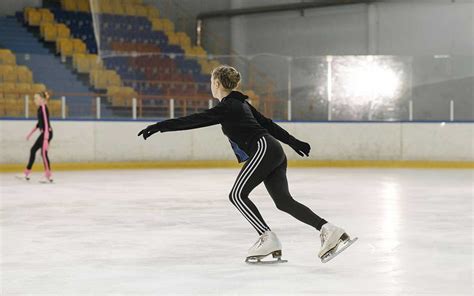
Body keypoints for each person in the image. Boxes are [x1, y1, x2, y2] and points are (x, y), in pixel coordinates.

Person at [138, 65, 355, 263]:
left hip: (263, 149)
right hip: (273, 150)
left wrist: (160, 126)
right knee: (283, 201)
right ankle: (329, 229)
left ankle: (267, 237)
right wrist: (292, 142)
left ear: (216, 83)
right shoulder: (240, 103)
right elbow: (269, 125)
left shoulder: (230, 106)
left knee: (237, 195)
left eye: (211, 82)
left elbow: (195, 119)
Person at [16, 91, 54, 183]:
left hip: (47, 133)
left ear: (42, 99)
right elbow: (39, 124)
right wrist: (30, 133)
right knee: (33, 150)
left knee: (43, 154)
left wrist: (45, 138)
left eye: (36, 98)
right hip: (45, 133)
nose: (34, 100)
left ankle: (48, 175)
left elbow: (45, 123)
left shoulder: (44, 108)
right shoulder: (40, 109)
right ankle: (26, 173)